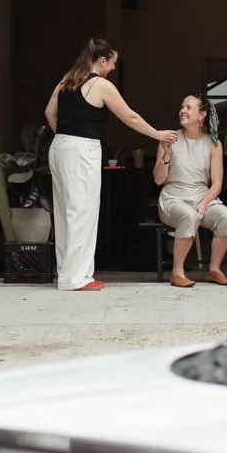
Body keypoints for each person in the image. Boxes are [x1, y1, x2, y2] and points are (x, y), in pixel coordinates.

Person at [44, 39, 174, 292]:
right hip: (82, 149)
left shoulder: (68, 79)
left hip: (59, 146)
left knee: (64, 212)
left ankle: (67, 274)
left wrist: (64, 136)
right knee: (83, 211)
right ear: (102, 60)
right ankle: (77, 278)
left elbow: (50, 112)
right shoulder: (101, 85)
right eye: (112, 63)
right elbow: (130, 116)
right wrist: (157, 134)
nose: (113, 68)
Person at [155, 95, 227, 287]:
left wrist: (204, 203)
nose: (183, 110)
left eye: (189, 108)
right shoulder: (169, 139)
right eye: (182, 106)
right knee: (189, 216)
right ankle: (178, 273)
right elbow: (158, 180)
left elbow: (217, 183)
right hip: (173, 197)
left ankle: (214, 270)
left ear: (202, 115)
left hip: (201, 196)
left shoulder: (213, 143)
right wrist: (166, 154)